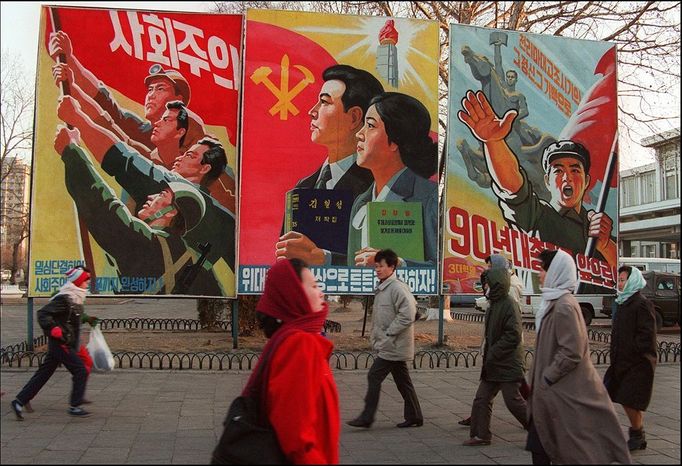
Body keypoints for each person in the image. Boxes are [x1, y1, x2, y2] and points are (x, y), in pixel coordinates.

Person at [57, 95, 236, 275]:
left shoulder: (173, 186)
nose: (180, 158)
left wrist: (77, 119)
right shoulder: (225, 221)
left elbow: (123, 160)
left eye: (190, 156)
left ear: (204, 168)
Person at [54, 125, 223, 295]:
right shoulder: (200, 266)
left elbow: (103, 207)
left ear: (172, 212)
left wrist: (72, 150)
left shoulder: (150, 243)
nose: (151, 197)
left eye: (161, 195)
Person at [457, 90, 617, 269]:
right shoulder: (537, 216)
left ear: (586, 181)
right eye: (559, 170)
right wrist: (494, 143)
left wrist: (605, 245)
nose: (567, 177)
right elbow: (514, 187)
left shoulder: (597, 229)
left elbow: (620, 275)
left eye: (575, 170)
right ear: (547, 180)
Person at [525, 249, 631, 464]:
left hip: (560, 393)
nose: (539, 273)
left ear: (556, 272)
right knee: (541, 445)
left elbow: (572, 350)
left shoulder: (564, 306)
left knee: (554, 447)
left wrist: (547, 376)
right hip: (548, 394)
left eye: (543, 268)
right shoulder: (553, 302)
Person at [276, 64, 384, 266]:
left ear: (354, 117)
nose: (312, 111)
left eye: (325, 103)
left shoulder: (378, 186)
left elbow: (384, 260)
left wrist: (325, 258)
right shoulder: (303, 187)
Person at [250, 258, 340, 463]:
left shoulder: (292, 338)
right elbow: (296, 438)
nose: (321, 293)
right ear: (294, 294)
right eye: (314, 286)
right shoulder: (299, 344)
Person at [349, 92, 438, 267]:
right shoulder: (361, 201)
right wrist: (324, 257)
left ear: (395, 141)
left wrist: (397, 264)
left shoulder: (428, 197)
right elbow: (354, 264)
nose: (359, 134)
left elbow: (441, 269)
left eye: (370, 126)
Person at [347, 248, 423, 428]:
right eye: (376, 267)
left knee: (374, 376)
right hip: (390, 343)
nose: (377, 270)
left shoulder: (397, 288)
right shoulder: (384, 288)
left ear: (392, 267)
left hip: (393, 344)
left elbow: (410, 313)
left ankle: (367, 417)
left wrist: (390, 332)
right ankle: (415, 416)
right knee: (403, 382)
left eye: (381, 266)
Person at [10, 267, 98, 419]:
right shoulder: (64, 298)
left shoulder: (76, 297)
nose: (88, 282)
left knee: (43, 374)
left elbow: (72, 320)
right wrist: (53, 328)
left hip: (65, 342)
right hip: (61, 343)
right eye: (85, 280)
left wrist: (85, 321)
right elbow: (43, 313)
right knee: (80, 370)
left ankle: (19, 401)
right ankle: (75, 406)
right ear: (78, 281)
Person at [459, 253, 526, 427]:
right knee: (489, 392)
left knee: (513, 396)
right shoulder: (497, 287)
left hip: (505, 349)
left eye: (490, 267)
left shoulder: (508, 289)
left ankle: (537, 425)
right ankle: (479, 421)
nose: (487, 270)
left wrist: (494, 349)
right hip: (498, 346)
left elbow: (512, 330)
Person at [604, 265, 657, 451]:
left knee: (629, 398)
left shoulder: (641, 303)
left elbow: (647, 335)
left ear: (632, 280)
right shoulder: (622, 301)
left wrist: (637, 354)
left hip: (637, 362)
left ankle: (637, 433)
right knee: (623, 397)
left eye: (623, 279)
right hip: (622, 361)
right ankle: (637, 433)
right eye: (618, 279)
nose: (619, 282)